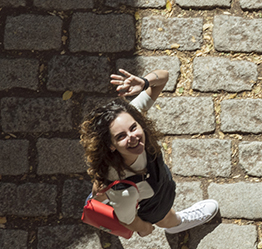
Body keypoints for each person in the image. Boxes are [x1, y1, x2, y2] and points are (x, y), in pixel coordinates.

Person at [80, 68, 218, 237]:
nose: (132, 137)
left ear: (137, 121)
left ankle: (95, 200)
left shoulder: (129, 116)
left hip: (152, 182)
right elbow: (127, 220)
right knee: (165, 216)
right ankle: (175, 224)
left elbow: (164, 77)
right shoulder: (124, 192)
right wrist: (144, 228)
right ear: (111, 145)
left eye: (133, 128)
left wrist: (144, 82)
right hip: (152, 203)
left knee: (102, 189)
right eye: (121, 136)